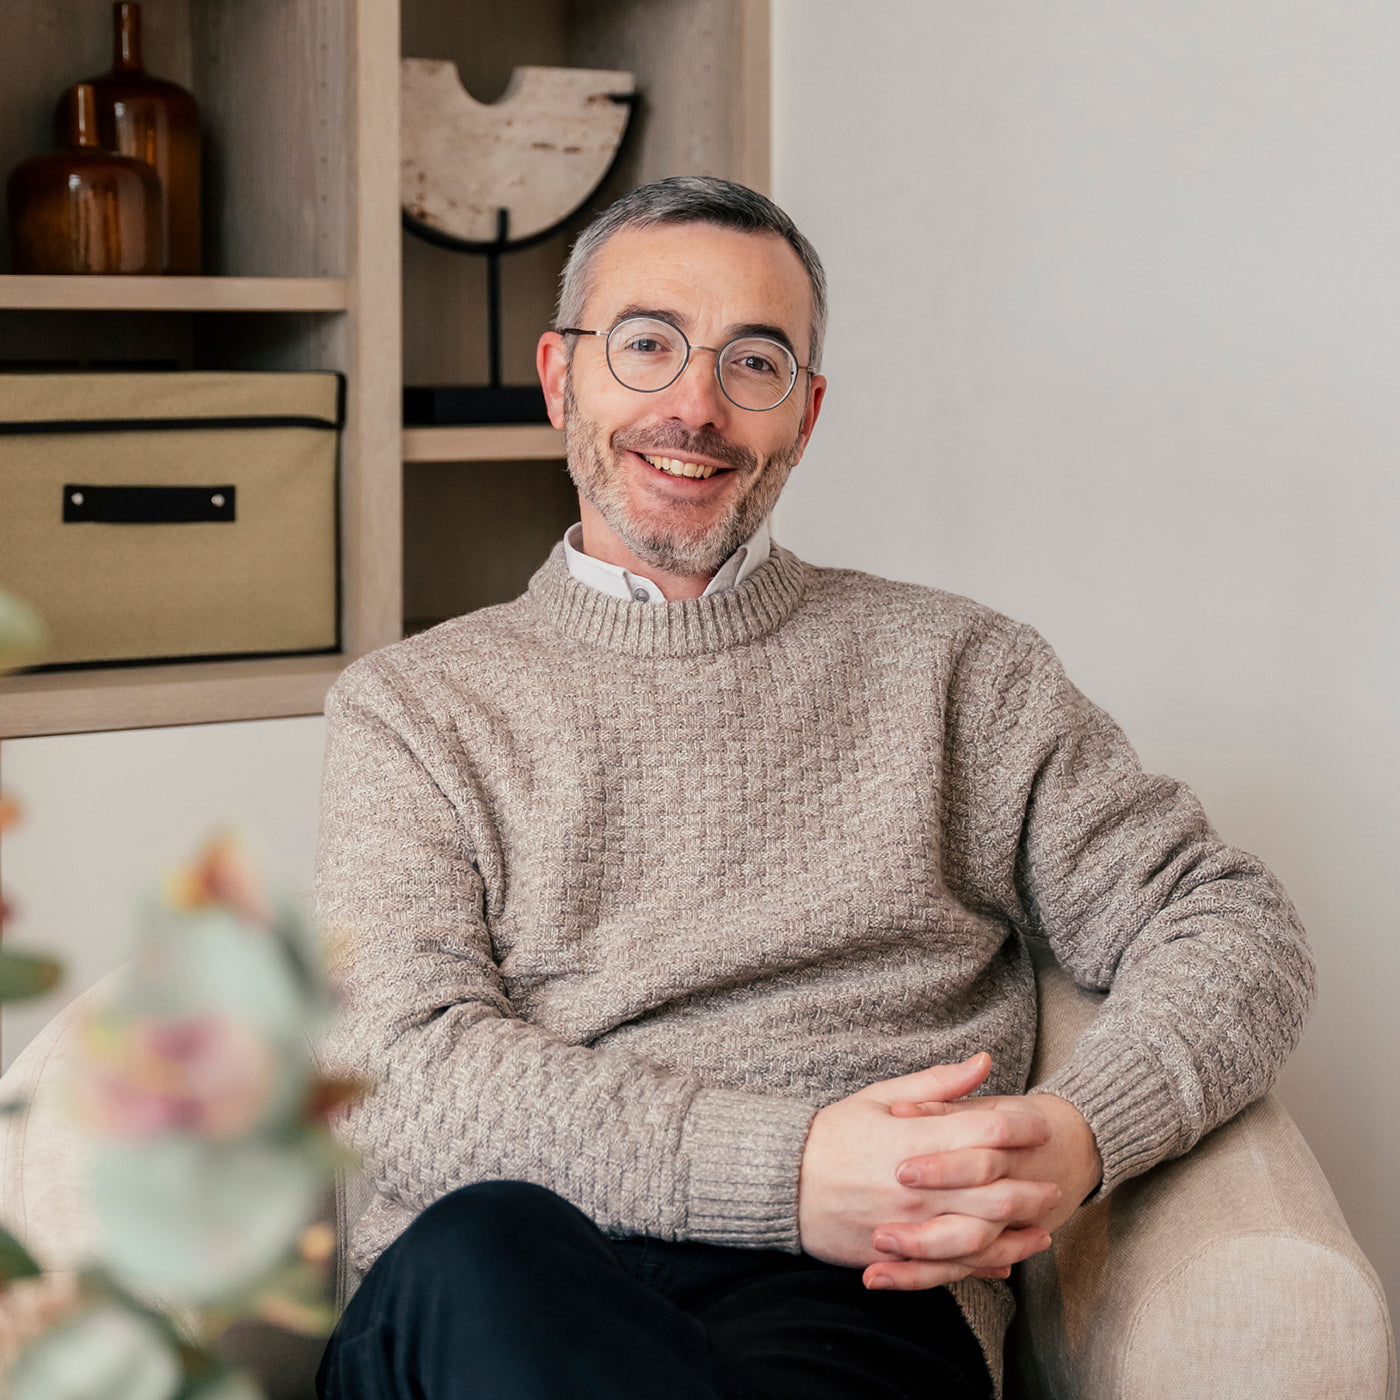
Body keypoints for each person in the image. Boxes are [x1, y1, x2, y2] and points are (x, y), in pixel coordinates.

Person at [313, 176, 1315, 1400]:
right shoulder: (412, 706)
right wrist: (789, 1171)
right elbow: (390, 1070)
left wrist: (1078, 1134)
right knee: (477, 1251)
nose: (695, 407)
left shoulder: (959, 670)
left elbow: (1227, 919)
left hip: (851, 1295)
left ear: (805, 414)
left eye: (754, 363)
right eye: (646, 345)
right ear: (560, 377)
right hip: (513, 1271)